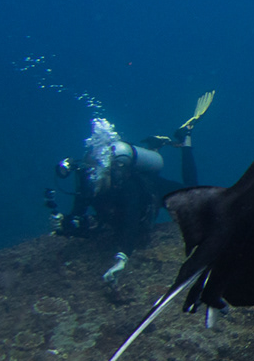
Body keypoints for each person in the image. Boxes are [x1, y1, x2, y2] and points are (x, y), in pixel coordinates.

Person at [47, 92, 213, 250]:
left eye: (96, 175)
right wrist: (64, 225)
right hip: (135, 193)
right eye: (89, 176)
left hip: (152, 190)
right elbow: (79, 216)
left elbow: (130, 223)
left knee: (191, 193)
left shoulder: (128, 187)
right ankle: (155, 147)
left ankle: (185, 139)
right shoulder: (87, 185)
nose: (92, 180)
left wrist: (122, 256)